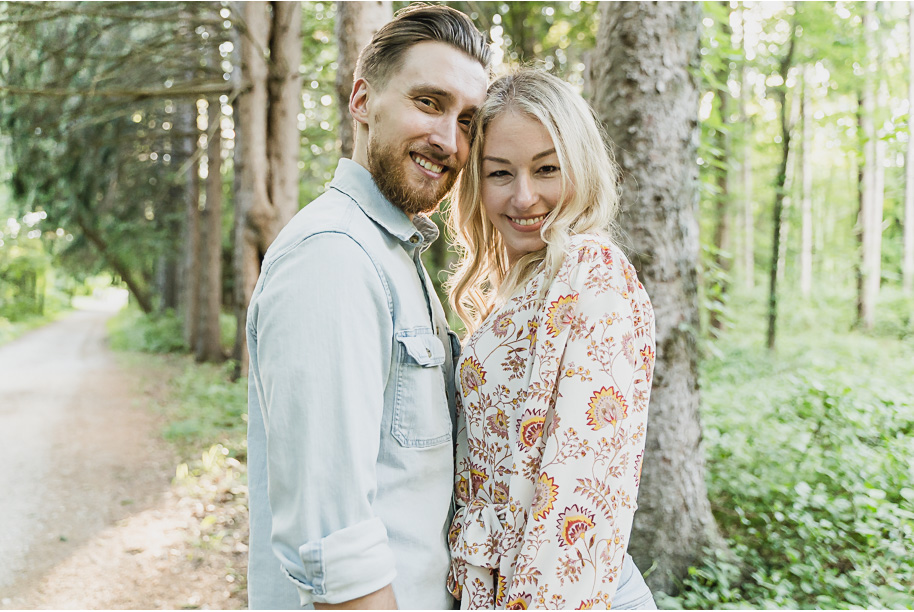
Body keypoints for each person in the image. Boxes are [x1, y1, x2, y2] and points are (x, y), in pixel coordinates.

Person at [245, 5, 490, 609]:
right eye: (429, 102)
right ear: (361, 99)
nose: (448, 140)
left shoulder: (393, 255)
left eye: (467, 122)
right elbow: (334, 545)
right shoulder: (333, 257)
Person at [445, 69, 657, 610]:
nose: (523, 196)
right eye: (500, 173)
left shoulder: (591, 269)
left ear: (579, 167)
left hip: (558, 592)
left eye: (546, 169)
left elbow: (576, 495)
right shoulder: (523, 284)